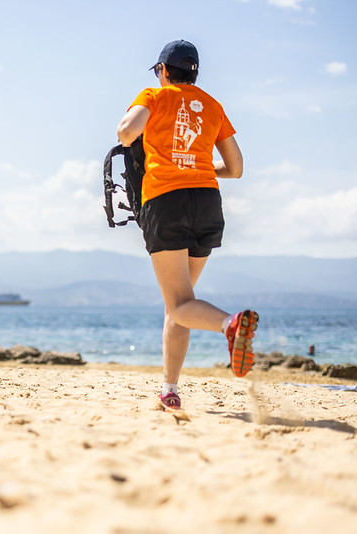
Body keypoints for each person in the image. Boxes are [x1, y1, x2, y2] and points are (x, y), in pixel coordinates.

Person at [115, 40, 259, 410]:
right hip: (208, 203)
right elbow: (237, 169)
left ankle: (230, 323)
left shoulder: (154, 95)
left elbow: (126, 132)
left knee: (179, 303)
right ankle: (170, 389)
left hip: (167, 201)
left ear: (163, 71)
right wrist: (197, 167)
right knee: (180, 303)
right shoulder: (212, 106)